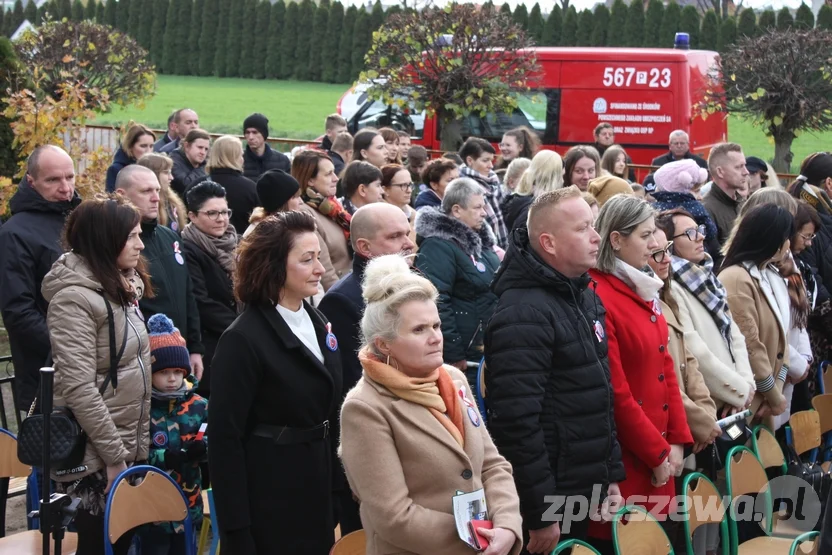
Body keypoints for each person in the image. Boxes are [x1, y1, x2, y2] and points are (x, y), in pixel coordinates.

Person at [339, 254, 523, 555]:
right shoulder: (365, 408)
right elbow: (394, 516)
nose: (436, 337)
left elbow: (492, 465)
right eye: (419, 330)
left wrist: (505, 524)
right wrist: (477, 539)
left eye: (436, 326)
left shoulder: (453, 379)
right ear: (384, 344)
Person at [485, 187, 625, 553]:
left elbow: (599, 392)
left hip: (580, 483)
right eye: (582, 229)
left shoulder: (582, 293)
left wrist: (609, 473)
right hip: (552, 495)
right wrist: (540, 512)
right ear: (548, 242)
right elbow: (516, 423)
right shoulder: (522, 312)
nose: (596, 237)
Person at [209, 211, 343, 555]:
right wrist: (237, 529)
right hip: (270, 496)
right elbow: (225, 441)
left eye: (318, 256)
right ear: (274, 266)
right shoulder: (242, 339)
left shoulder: (316, 319)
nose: (319, 268)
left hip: (315, 487)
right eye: (306, 259)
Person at [42, 194, 152, 555]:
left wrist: (135, 450)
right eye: (131, 236)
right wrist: (115, 457)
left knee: (122, 543)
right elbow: (79, 388)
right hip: (95, 459)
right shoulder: (74, 298)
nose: (140, 243)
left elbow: (135, 372)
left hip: (122, 447)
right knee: (97, 545)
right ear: (105, 240)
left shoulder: (123, 286)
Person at [587, 194, 692, 551]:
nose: (654, 244)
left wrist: (676, 439)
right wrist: (657, 452)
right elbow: (616, 391)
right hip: (631, 460)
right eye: (645, 235)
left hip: (659, 453)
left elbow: (667, 368)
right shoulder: (597, 292)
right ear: (616, 240)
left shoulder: (643, 285)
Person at [317, 203, 415, 536]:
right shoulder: (343, 301)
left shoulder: (411, 287)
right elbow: (353, 385)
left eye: (408, 231)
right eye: (395, 236)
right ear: (364, 247)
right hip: (377, 441)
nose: (408, 243)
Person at [645, 227, 721, 555]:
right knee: (671, 522)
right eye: (657, 254)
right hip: (670, 432)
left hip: (688, 425)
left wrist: (706, 414)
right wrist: (701, 422)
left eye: (667, 251)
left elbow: (690, 361)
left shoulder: (667, 296)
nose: (666, 261)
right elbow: (665, 379)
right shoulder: (645, 302)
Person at [0, 145, 81, 412]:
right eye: (53, 179)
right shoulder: (14, 234)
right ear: (31, 181)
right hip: (47, 374)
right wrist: (70, 347)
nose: (65, 188)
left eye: (70, 177)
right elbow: (18, 310)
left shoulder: (81, 220)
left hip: (94, 368)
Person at [653, 209, 754, 420]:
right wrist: (738, 390)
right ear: (669, 244)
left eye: (699, 229)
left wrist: (746, 384)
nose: (700, 236)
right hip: (713, 402)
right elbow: (695, 350)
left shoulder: (707, 277)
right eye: (689, 233)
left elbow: (734, 333)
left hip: (735, 395)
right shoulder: (671, 287)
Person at [114, 165, 205, 380]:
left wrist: (194, 347)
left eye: (157, 190)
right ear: (121, 195)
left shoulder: (170, 237)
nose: (156, 198)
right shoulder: (119, 247)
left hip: (178, 357)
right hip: (144, 361)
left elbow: (187, 294)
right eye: (146, 191)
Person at [414, 178, 500, 380]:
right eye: (478, 207)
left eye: (484, 206)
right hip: (465, 357)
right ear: (457, 210)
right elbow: (436, 300)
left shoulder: (480, 243)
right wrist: (453, 353)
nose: (484, 213)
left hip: (485, 348)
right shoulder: (438, 246)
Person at [719, 205, 795, 424]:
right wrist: (772, 393)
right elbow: (750, 344)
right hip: (750, 400)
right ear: (770, 238)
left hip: (768, 398)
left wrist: (776, 393)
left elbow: (783, 339)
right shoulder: (735, 278)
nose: (789, 244)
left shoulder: (768, 272)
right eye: (786, 237)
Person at [143, 313, 208, 555]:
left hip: (188, 504)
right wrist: (164, 457)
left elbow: (215, 439)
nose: (172, 379)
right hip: (152, 510)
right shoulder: (142, 408)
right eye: (163, 372)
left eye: (178, 372)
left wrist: (204, 449)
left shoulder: (199, 405)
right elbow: (134, 453)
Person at [181, 181, 238, 398]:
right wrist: (243, 325)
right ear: (193, 216)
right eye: (212, 213)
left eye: (225, 212)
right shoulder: (189, 249)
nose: (221, 219)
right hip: (211, 348)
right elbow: (201, 302)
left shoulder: (234, 242)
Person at [294, 149, 351, 291]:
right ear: (310, 180)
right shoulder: (305, 212)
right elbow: (325, 270)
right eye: (328, 174)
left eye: (334, 172)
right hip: (337, 292)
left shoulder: (331, 205)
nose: (336, 178)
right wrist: (341, 299)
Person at [650, 159, 722, 265]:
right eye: (697, 191)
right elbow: (711, 231)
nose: (701, 197)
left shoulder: (653, 209)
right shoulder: (695, 207)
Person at [459, 136, 509, 249]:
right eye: (485, 160)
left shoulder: (493, 180)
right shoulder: (463, 186)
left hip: (502, 245)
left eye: (491, 160)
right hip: (484, 248)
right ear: (470, 160)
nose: (491, 165)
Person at [204, 135, 258, 235]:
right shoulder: (250, 188)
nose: (243, 159)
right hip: (240, 246)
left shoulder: (196, 186)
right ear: (234, 158)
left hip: (200, 245)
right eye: (241, 155)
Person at [501, 150, 563, 231]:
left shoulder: (521, 201)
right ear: (553, 178)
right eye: (561, 176)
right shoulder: (536, 209)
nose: (562, 181)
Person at [702, 142, 749, 247]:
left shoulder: (744, 203)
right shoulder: (706, 211)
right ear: (720, 172)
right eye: (738, 167)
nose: (746, 172)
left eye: (745, 165)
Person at [137, 152, 188, 233]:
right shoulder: (143, 205)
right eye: (166, 172)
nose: (171, 177)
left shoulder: (171, 200)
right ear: (153, 174)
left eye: (170, 172)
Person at [244, 169, 302, 237]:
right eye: (295, 197)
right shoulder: (264, 235)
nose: (301, 201)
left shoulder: (284, 227)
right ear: (281, 203)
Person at [106, 123, 156, 192]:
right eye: (143, 146)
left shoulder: (154, 167)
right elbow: (112, 198)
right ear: (130, 147)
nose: (148, 151)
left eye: (151, 146)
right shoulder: (116, 169)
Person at [242, 112, 291, 180]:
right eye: (247, 132)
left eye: (255, 132)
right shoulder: (238, 160)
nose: (250, 137)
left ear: (264, 134)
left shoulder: (282, 160)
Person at [381, 163, 417, 241]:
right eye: (403, 185)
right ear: (385, 190)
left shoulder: (412, 214)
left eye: (410, 185)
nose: (409, 190)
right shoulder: (382, 219)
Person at [170, 129, 210, 197]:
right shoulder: (173, 161)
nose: (203, 152)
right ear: (187, 146)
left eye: (206, 149)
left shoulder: (204, 163)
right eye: (200, 147)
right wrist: (204, 167)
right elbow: (186, 185)